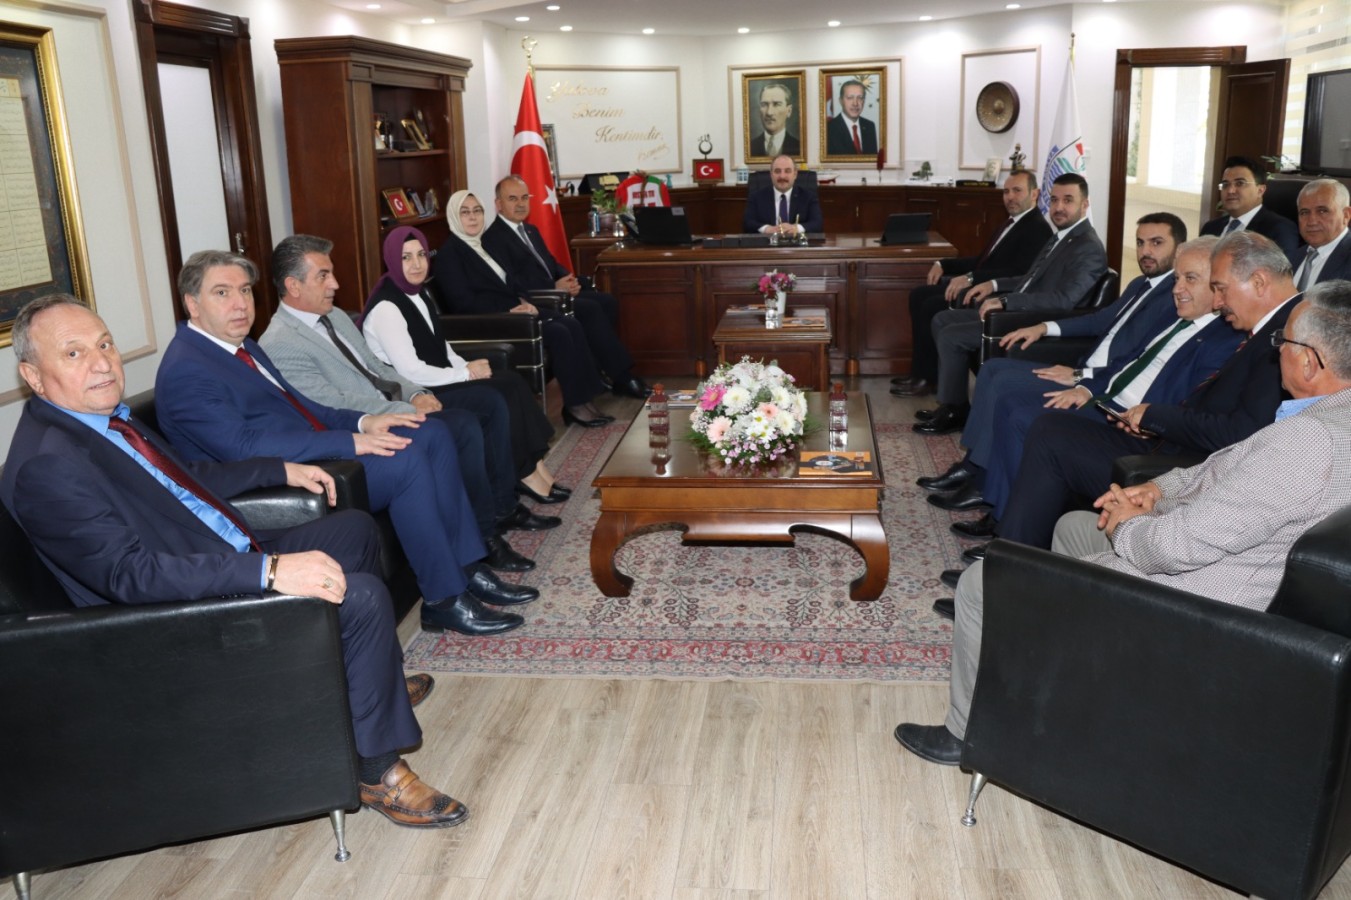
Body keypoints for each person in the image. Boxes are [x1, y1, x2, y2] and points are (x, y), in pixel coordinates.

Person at [1, 295, 468, 828]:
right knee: (358, 596)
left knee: (353, 530)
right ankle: (376, 769)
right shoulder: (48, 465)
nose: (102, 362)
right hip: (173, 623)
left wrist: (280, 469)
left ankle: (362, 687)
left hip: (216, 558)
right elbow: (130, 575)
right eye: (74, 353)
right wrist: (269, 572)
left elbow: (184, 478)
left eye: (104, 344)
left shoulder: (102, 421)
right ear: (33, 377)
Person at [895, 280, 1351, 766]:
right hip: (1213, 562)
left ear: (1310, 361)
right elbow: (1221, 472)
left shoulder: (1306, 445)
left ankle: (968, 736)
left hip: (1191, 604)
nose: (1275, 350)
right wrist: (1157, 491)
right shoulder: (1326, 420)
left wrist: (1128, 525)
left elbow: (1174, 550)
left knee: (983, 583)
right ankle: (1057, 683)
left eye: (1283, 341)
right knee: (1075, 526)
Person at [154, 249, 536, 637]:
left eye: (245, 291)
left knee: (431, 431)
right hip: (277, 482)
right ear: (192, 304)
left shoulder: (241, 347)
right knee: (405, 462)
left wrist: (366, 421)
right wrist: (350, 442)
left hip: (310, 452)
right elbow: (245, 446)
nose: (240, 304)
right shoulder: (188, 368)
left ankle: (466, 568)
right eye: (222, 293)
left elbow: (303, 407)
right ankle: (444, 600)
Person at [929, 236, 1241, 598]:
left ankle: (1007, 554)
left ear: (1218, 288)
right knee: (1012, 393)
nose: (1178, 289)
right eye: (1177, 278)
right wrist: (1088, 385)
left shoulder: (1221, 340)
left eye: (1191, 279)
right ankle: (997, 516)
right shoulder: (1178, 318)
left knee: (1032, 420)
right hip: (1108, 399)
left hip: (1136, 426)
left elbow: (1188, 408)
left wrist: (1117, 402)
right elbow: (1129, 361)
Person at [257, 234, 558, 577]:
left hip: (394, 403)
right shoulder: (280, 343)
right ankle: (484, 540)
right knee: (461, 425)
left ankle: (497, 516)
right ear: (293, 285)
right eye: (323, 276)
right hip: (364, 427)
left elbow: (377, 367)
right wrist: (402, 410)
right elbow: (332, 403)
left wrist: (415, 394)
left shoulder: (335, 316)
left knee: (483, 406)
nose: (335, 284)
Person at [991, 230, 1300, 550]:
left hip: (1186, 470)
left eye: (1221, 288)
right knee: (1049, 426)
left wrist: (1155, 417)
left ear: (1259, 282)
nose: (1218, 301)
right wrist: (1151, 420)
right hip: (1172, 443)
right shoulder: (1273, 328)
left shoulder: (1285, 339)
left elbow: (1240, 434)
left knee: (1050, 436)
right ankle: (1016, 550)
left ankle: (1012, 557)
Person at [920, 215, 1189, 514]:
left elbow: (1141, 360)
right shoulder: (1141, 284)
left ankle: (982, 482)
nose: (1146, 251)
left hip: (1099, 386)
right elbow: (1099, 320)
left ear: (1179, 249)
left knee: (1006, 388)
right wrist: (1044, 327)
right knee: (993, 369)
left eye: (1156, 243)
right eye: (1140, 243)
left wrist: (1081, 376)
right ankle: (973, 466)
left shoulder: (1176, 298)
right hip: (1083, 371)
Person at [363, 225, 570, 504]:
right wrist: (464, 373)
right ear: (391, 260)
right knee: (498, 394)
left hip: (437, 377)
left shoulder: (418, 293)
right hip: (417, 391)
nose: (416, 264)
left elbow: (442, 346)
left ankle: (534, 467)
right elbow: (409, 371)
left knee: (512, 381)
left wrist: (466, 365)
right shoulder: (387, 307)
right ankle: (525, 475)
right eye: (406, 257)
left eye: (421, 255)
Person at [915, 172, 1108, 434]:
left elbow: (1064, 300)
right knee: (942, 319)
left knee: (952, 336)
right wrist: (994, 286)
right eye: (1054, 200)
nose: (1059, 207)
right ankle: (955, 402)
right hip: (1018, 310)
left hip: (1032, 321)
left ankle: (954, 410)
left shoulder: (1088, 247)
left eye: (1068, 200)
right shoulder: (1062, 236)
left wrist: (1007, 301)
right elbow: (1030, 279)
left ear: (1085, 204)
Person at [431, 189, 615, 428]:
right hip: (492, 322)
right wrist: (509, 310)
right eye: (465, 212)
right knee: (559, 332)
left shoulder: (485, 245)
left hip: (516, 311)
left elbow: (512, 282)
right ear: (454, 217)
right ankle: (576, 405)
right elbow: (463, 303)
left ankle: (586, 398)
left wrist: (525, 301)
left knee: (571, 323)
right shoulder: (449, 255)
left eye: (477, 211)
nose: (473, 217)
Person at [481, 174, 647, 398]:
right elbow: (513, 282)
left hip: (556, 292)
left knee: (607, 301)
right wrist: (554, 286)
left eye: (524, 197)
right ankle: (622, 376)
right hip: (538, 299)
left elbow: (550, 263)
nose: (520, 204)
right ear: (498, 204)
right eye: (512, 198)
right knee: (590, 308)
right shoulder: (493, 239)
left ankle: (599, 369)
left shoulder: (530, 230)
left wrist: (569, 280)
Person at [892, 170, 1052, 398]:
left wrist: (971, 278)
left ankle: (928, 378)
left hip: (994, 295)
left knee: (929, 305)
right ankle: (921, 373)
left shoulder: (1036, 227)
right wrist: (943, 263)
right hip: (978, 286)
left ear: (1034, 194)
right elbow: (981, 261)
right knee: (918, 295)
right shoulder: (1011, 223)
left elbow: (1019, 273)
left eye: (1017, 191)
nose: (1010, 197)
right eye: (1006, 192)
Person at [1199, 155, 1301, 265]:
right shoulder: (1210, 228)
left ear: (1260, 190)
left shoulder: (1280, 229)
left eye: (1240, 183)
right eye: (1225, 184)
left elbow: (1281, 271)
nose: (1230, 190)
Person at [742, 154, 823, 236]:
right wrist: (767, 229)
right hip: (768, 242)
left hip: (797, 243)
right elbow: (748, 223)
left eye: (787, 171)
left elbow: (817, 223)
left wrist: (796, 228)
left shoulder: (808, 197)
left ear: (795, 174)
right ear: (771, 174)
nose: (782, 176)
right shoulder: (756, 197)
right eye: (777, 171)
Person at [1292, 178, 1351, 288]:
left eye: (1322, 211)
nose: (1312, 221)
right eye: (1304, 212)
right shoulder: (1293, 257)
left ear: (1346, 215)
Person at [825, 79, 878, 155]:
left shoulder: (870, 126)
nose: (855, 103)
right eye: (850, 97)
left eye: (860, 98)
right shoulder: (829, 129)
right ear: (841, 101)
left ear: (864, 101)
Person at [748, 82, 800, 158]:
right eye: (764, 105)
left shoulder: (798, 146)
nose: (769, 112)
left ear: (789, 111)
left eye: (777, 104)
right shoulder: (750, 147)